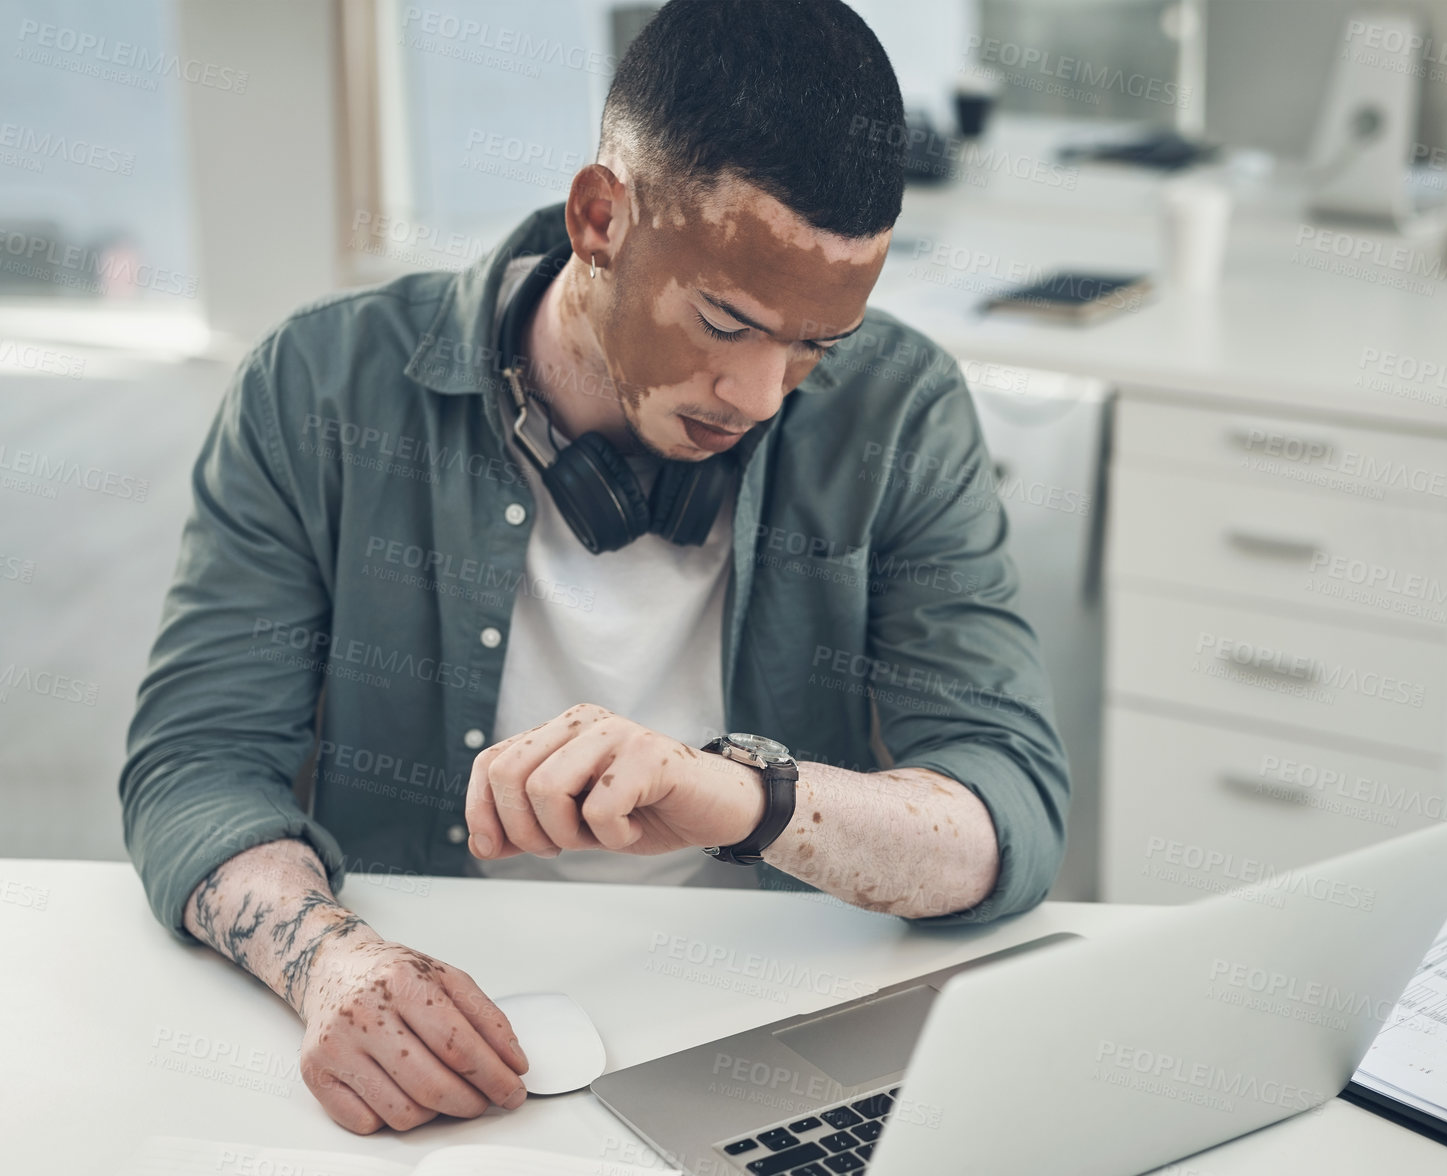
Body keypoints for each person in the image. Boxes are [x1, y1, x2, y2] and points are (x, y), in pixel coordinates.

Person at [120, 0, 1069, 1136]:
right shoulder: (318, 389)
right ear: (598, 217)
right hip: (435, 1002)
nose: (761, 398)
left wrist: (742, 796)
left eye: (816, 345)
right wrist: (332, 968)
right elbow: (196, 766)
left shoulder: (904, 410)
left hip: (767, 1023)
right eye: (725, 321)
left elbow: (1006, 798)